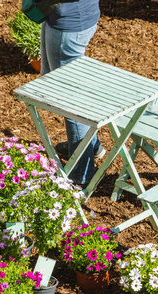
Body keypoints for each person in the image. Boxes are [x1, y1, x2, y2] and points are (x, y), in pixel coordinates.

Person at [40, 0, 105, 187]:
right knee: (54, 84)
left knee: (71, 103)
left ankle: (80, 175)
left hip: (68, 24)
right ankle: (90, 145)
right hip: (64, 15)